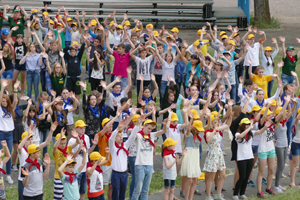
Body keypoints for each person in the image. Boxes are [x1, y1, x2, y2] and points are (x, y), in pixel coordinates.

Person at [131, 117, 169, 200]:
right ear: (144, 126)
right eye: (148, 128)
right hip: (140, 165)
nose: (150, 130)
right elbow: (132, 135)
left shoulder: (151, 135)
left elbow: (164, 131)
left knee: (145, 190)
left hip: (149, 165)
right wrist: (138, 124)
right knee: (137, 190)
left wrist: (165, 125)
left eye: (151, 129)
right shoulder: (139, 135)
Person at [233, 118, 268, 200]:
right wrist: (249, 128)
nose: (247, 126)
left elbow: (259, 132)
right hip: (241, 158)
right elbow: (240, 136)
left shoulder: (251, 133)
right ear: (241, 125)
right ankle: (235, 194)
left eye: (248, 124)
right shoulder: (237, 133)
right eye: (245, 124)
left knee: (246, 177)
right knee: (242, 177)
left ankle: (242, 193)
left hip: (250, 157)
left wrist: (266, 126)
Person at [109, 109, 140, 200]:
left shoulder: (125, 146)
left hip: (124, 174)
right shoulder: (113, 148)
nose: (121, 137)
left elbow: (132, 136)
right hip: (116, 174)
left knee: (122, 194)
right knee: (116, 194)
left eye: (121, 136)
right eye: (119, 136)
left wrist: (137, 124)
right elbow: (111, 139)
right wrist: (118, 129)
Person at [68, 120, 99, 200]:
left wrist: (94, 145)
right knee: (75, 192)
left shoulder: (86, 137)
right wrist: (78, 149)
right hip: (76, 169)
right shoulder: (72, 140)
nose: (83, 130)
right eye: (81, 128)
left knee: (82, 191)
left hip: (84, 168)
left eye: (84, 128)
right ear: (76, 129)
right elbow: (71, 157)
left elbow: (88, 152)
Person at [204, 113, 232, 200]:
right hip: (212, 154)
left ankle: (218, 194)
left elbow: (227, 124)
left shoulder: (218, 129)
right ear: (212, 124)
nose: (218, 123)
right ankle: (208, 195)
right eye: (216, 122)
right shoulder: (208, 132)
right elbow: (208, 140)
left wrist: (230, 116)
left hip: (219, 154)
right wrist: (214, 130)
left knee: (223, 175)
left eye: (217, 122)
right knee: (211, 177)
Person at [53, 128, 80, 200]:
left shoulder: (68, 148)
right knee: (58, 197)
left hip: (67, 176)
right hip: (58, 177)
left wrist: (76, 136)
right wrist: (60, 136)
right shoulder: (56, 151)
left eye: (64, 143)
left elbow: (78, 142)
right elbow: (55, 146)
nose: (63, 145)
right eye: (61, 143)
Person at [256, 105, 276, 198]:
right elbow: (263, 117)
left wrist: (284, 104)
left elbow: (279, 115)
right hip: (263, 150)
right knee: (261, 172)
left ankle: (268, 188)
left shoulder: (272, 123)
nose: (269, 116)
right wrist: (267, 106)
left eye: (269, 115)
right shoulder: (260, 124)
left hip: (271, 149)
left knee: (271, 170)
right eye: (268, 115)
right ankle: (259, 191)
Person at [19, 32, 45, 102]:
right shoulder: (27, 55)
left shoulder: (38, 55)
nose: (32, 48)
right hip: (29, 73)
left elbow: (40, 65)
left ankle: (36, 102)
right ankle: (29, 102)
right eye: (31, 47)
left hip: (36, 72)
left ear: (35, 48)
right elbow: (20, 62)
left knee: (36, 88)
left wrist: (40, 57)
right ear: (29, 48)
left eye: (33, 47)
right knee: (29, 88)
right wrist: (25, 56)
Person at [0, 80, 17, 184]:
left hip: (10, 135)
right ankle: (0, 173)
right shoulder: (0, 110)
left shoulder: (11, 109)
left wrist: (15, 90)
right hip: (1, 134)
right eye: (2, 101)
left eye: (5, 101)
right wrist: (2, 87)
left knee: (8, 154)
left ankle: (8, 175)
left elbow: (15, 101)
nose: (4, 102)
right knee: (1, 155)